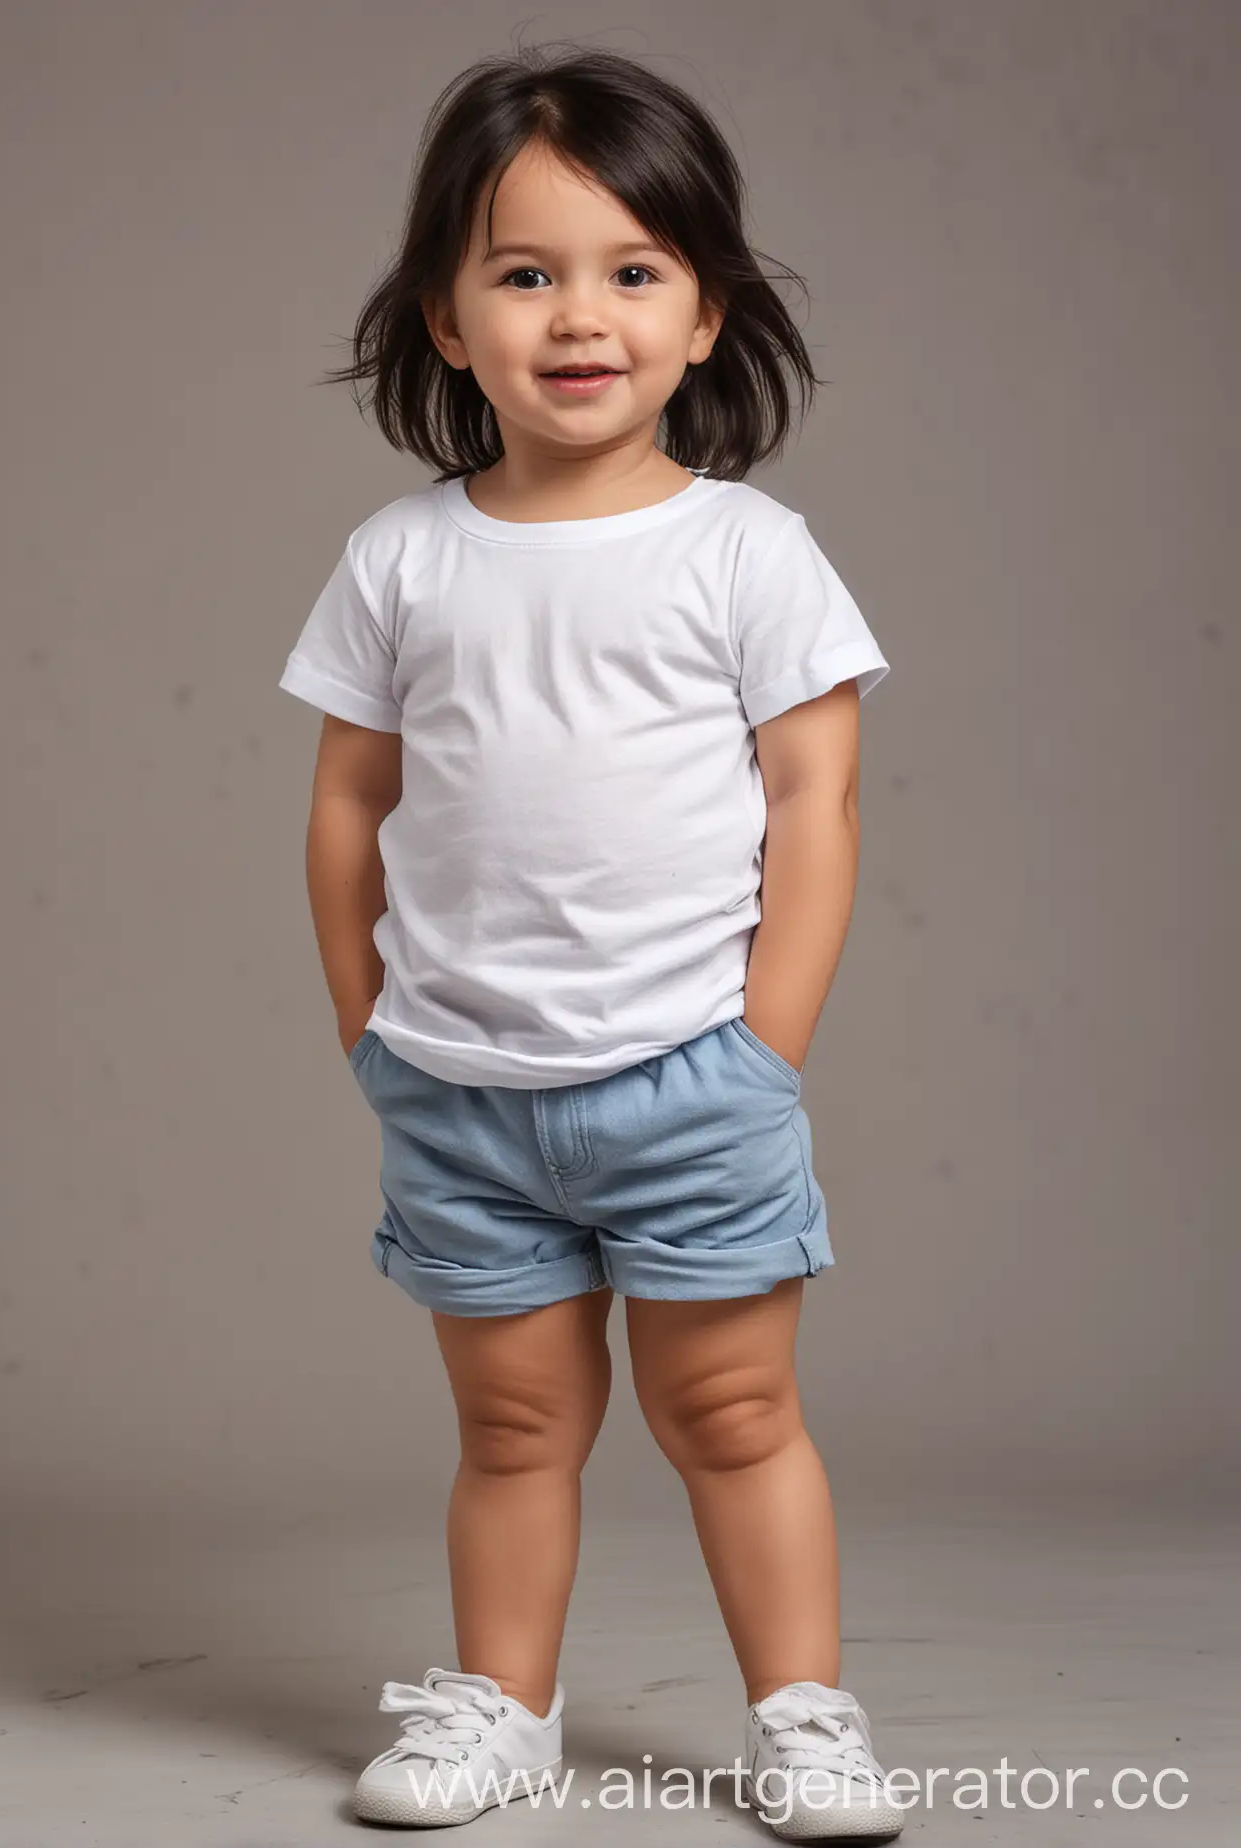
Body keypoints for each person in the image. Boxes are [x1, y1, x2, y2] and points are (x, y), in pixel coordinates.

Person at [279, 44, 903, 1843]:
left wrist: (764, 1045)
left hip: (691, 1079)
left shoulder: (745, 552)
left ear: (706, 315)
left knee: (734, 1412)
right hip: (460, 1091)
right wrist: (368, 1027)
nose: (581, 315)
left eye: (633, 272)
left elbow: (817, 804)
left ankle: (803, 1713)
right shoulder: (402, 558)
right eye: (525, 271)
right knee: (511, 1433)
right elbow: (345, 806)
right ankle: (501, 1707)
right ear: (447, 316)